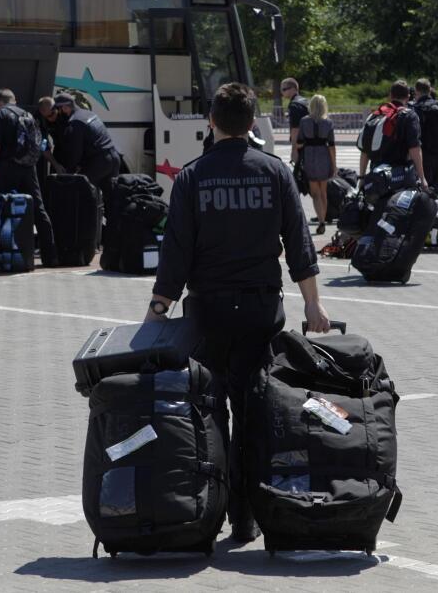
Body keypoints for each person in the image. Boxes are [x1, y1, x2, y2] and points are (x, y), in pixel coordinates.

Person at [144, 82, 331, 543]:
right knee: (254, 412)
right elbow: (299, 245)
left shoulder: (191, 177)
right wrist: (313, 303)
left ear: (211, 121)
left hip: (207, 314)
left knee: (208, 413)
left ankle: (210, 510)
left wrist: (157, 311)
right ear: (252, 124)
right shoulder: (273, 172)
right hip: (261, 312)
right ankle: (247, 518)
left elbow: (176, 255)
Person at [0, 88, 58, 267]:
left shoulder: (0, 114)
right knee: (39, 208)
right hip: (29, 166)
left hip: (8, 166)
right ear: (14, 100)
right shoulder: (27, 114)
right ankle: (50, 256)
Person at [52, 92, 121, 203]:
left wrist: (69, 173)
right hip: (114, 157)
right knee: (111, 199)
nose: (59, 113)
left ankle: (87, 220)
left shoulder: (75, 122)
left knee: (80, 192)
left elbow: (75, 153)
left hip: (100, 162)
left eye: (58, 109)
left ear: (65, 107)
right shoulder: (89, 114)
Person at [358, 80, 426, 188]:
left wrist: (361, 177)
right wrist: (422, 178)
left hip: (376, 176)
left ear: (390, 96)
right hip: (399, 177)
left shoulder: (376, 115)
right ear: (408, 97)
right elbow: (414, 149)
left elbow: (365, 151)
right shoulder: (409, 116)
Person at [295, 94, 337, 234]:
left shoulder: (304, 121)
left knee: (315, 193)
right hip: (324, 155)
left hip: (309, 155)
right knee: (323, 192)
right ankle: (322, 220)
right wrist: (334, 164)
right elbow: (331, 145)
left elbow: (299, 143)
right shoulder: (328, 122)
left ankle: (321, 221)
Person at [412, 78, 438, 194]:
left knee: (424, 191)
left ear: (417, 91)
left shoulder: (416, 109)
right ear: (429, 90)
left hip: (423, 156)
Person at [281, 78, 309, 163]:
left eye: (284, 89)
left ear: (293, 89)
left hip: (301, 144)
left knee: (300, 173)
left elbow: (295, 129)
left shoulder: (294, 105)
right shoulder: (306, 101)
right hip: (311, 142)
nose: (282, 92)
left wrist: (294, 150)